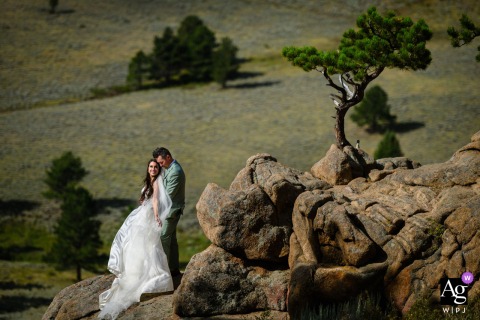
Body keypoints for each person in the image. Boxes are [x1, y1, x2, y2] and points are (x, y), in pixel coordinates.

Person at [98, 159, 173, 320]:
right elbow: (148, 198)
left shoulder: (157, 183)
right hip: (141, 215)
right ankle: (135, 272)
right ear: (148, 168)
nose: (153, 169)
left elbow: (155, 200)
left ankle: (147, 276)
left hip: (147, 217)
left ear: (159, 170)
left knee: (147, 246)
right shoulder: (150, 181)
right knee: (133, 244)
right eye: (151, 167)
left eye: (155, 167)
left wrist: (155, 216)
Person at [153, 147, 186, 277]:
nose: (160, 165)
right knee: (171, 240)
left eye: (161, 162)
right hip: (169, 210)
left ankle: (164, 273)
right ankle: (173, 270)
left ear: (168, 157)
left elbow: (168, 195)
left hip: (171, 211)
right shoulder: (170, 169)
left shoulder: (175, 171)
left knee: (163, 239)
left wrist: (153, 205)